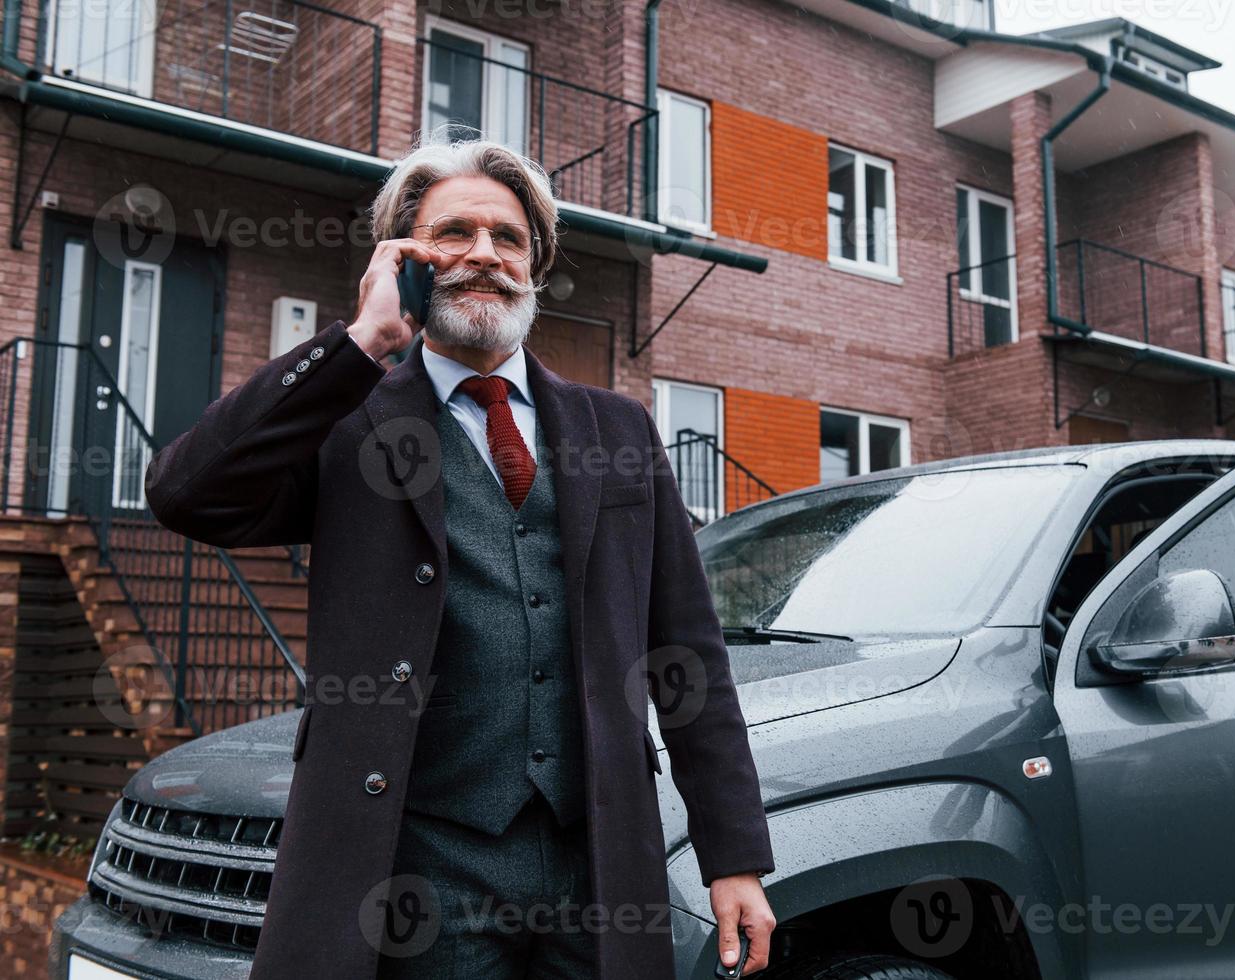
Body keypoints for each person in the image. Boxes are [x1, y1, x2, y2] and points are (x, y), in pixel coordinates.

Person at [144, 133, 777, 979]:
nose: (485, 255)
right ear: (406, 258)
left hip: (598, 861)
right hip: (421, 869)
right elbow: (187, 494)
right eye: (455, 234)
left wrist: (733, 853)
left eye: (508, 238)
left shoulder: (617, 431)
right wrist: (362, 345)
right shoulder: (346, 418)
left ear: (536, 266)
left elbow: (689, 654)